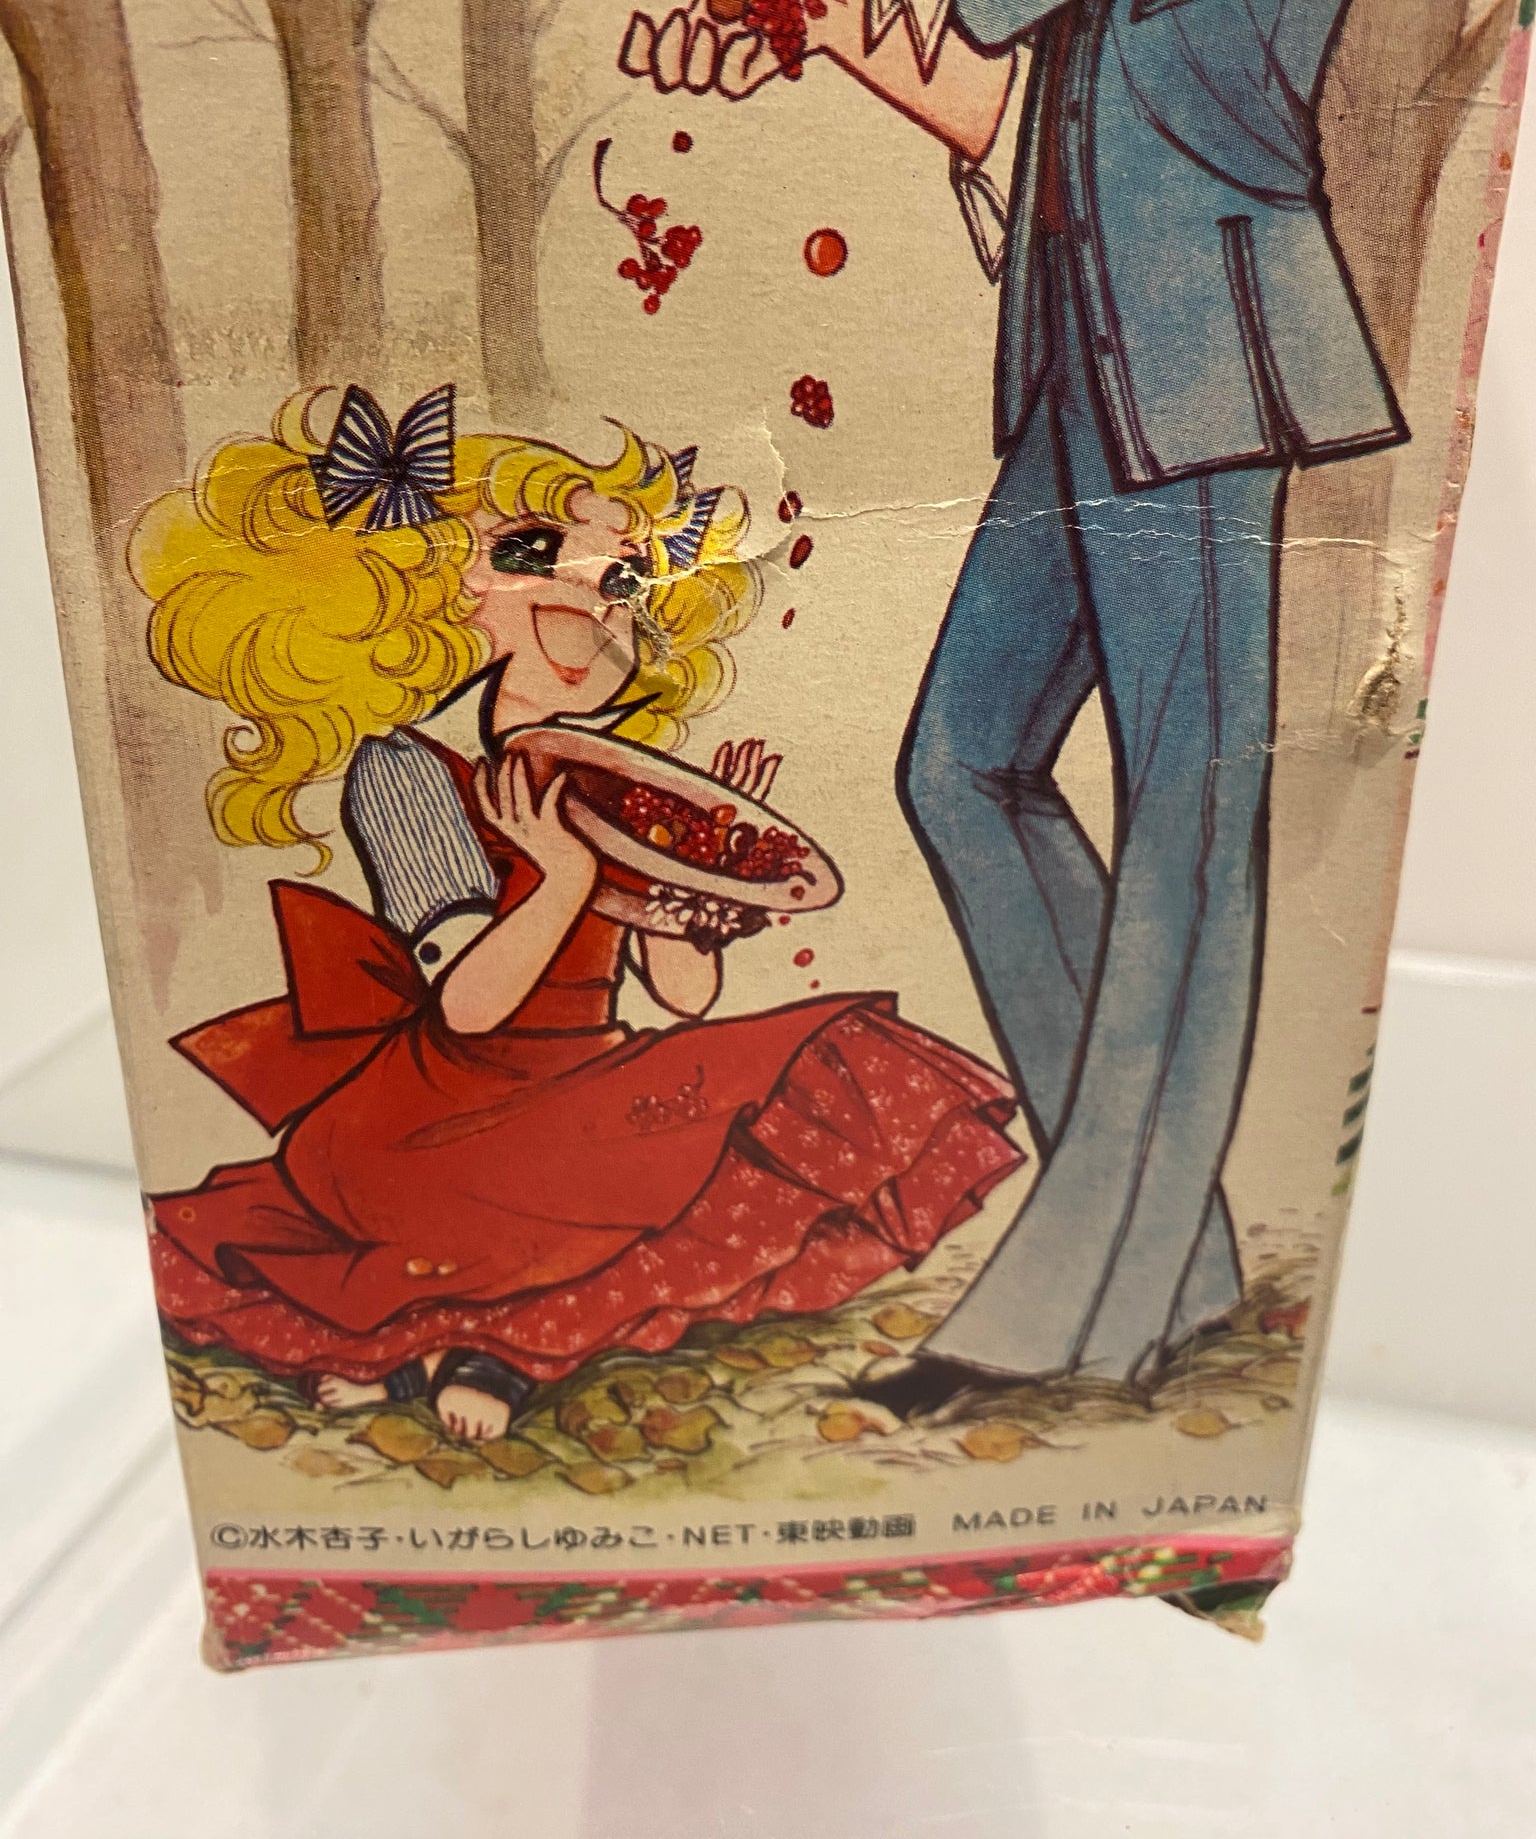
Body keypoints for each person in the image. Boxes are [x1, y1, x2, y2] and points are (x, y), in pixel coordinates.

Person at [623, 0, 1424, 1409]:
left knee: (1186, 817)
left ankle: (1081, 1304)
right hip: (1087, 328)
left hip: (1200, 343)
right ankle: (1170, 1258)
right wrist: (813, 3)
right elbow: (1024, 71)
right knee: (962, 766)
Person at [133, 392, 1020, 1443]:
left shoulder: (615, 778)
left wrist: (703, 884)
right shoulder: (410, 771)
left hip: (585, 1078)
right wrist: (560, 876)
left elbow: (683, 998)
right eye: (534, 554)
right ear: (423, 597)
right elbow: (468, 1006)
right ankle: (469, 1353)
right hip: (430, 1119)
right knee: (544, 1187)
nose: (595, 600)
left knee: (832, 1057)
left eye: (627, 578)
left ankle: (451, 1351)